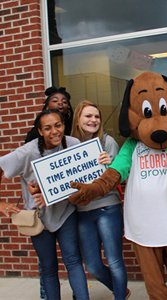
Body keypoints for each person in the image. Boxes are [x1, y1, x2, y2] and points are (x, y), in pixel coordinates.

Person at [0, 109, 89, 300]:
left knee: (73, 261)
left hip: (65, 213)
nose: (54, 131)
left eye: (58, 125)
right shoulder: (27, 152)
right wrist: (1, 204)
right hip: (39, 218)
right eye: (47, 128)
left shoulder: (73, 144)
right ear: (40, 131)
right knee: (48, 268)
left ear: (64, 125)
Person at [71, 100, 129, 300]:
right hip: (82, 212)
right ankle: (121, 288)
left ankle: (120, 295)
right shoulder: (68, 145)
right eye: (88, 116)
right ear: (78, 119)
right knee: (93, 265)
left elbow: (119, 175)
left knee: (114, 261)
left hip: (107, 207)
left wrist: (110, 164)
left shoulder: (107, 141)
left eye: (96, 116)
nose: (93, 120)